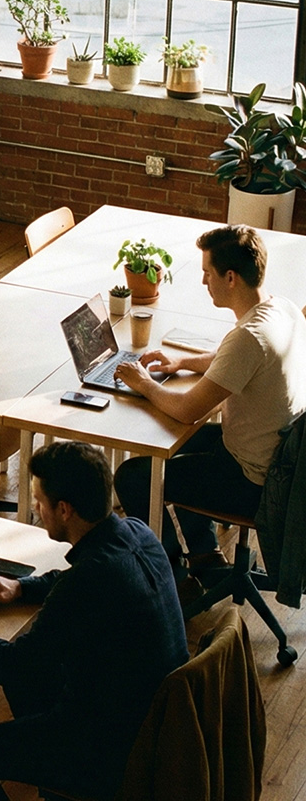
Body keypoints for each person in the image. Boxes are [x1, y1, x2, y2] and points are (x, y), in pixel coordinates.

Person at [0, 441, 187, 801]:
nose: (35, 508)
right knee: (32, 677)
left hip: (108, 748)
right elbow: (73, 579)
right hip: (149, 719)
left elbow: (14, 666)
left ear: (63, 510)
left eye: (38, 500)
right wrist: (20, 587)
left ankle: (63, 778)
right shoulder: (138, 533)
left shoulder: (87, 582)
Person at [113, 224, 306, 594]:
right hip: (281, 457)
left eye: (207, 273)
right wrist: (180, 364)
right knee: (179, 452)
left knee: (135, 476)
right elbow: (228, 361)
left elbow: (186, 409)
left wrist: (145, 383)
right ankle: (206, 556)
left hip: (255, 481)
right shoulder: (281, 308)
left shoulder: (248, 338)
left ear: (230, 277)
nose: (203, 281)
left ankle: (173, 578)